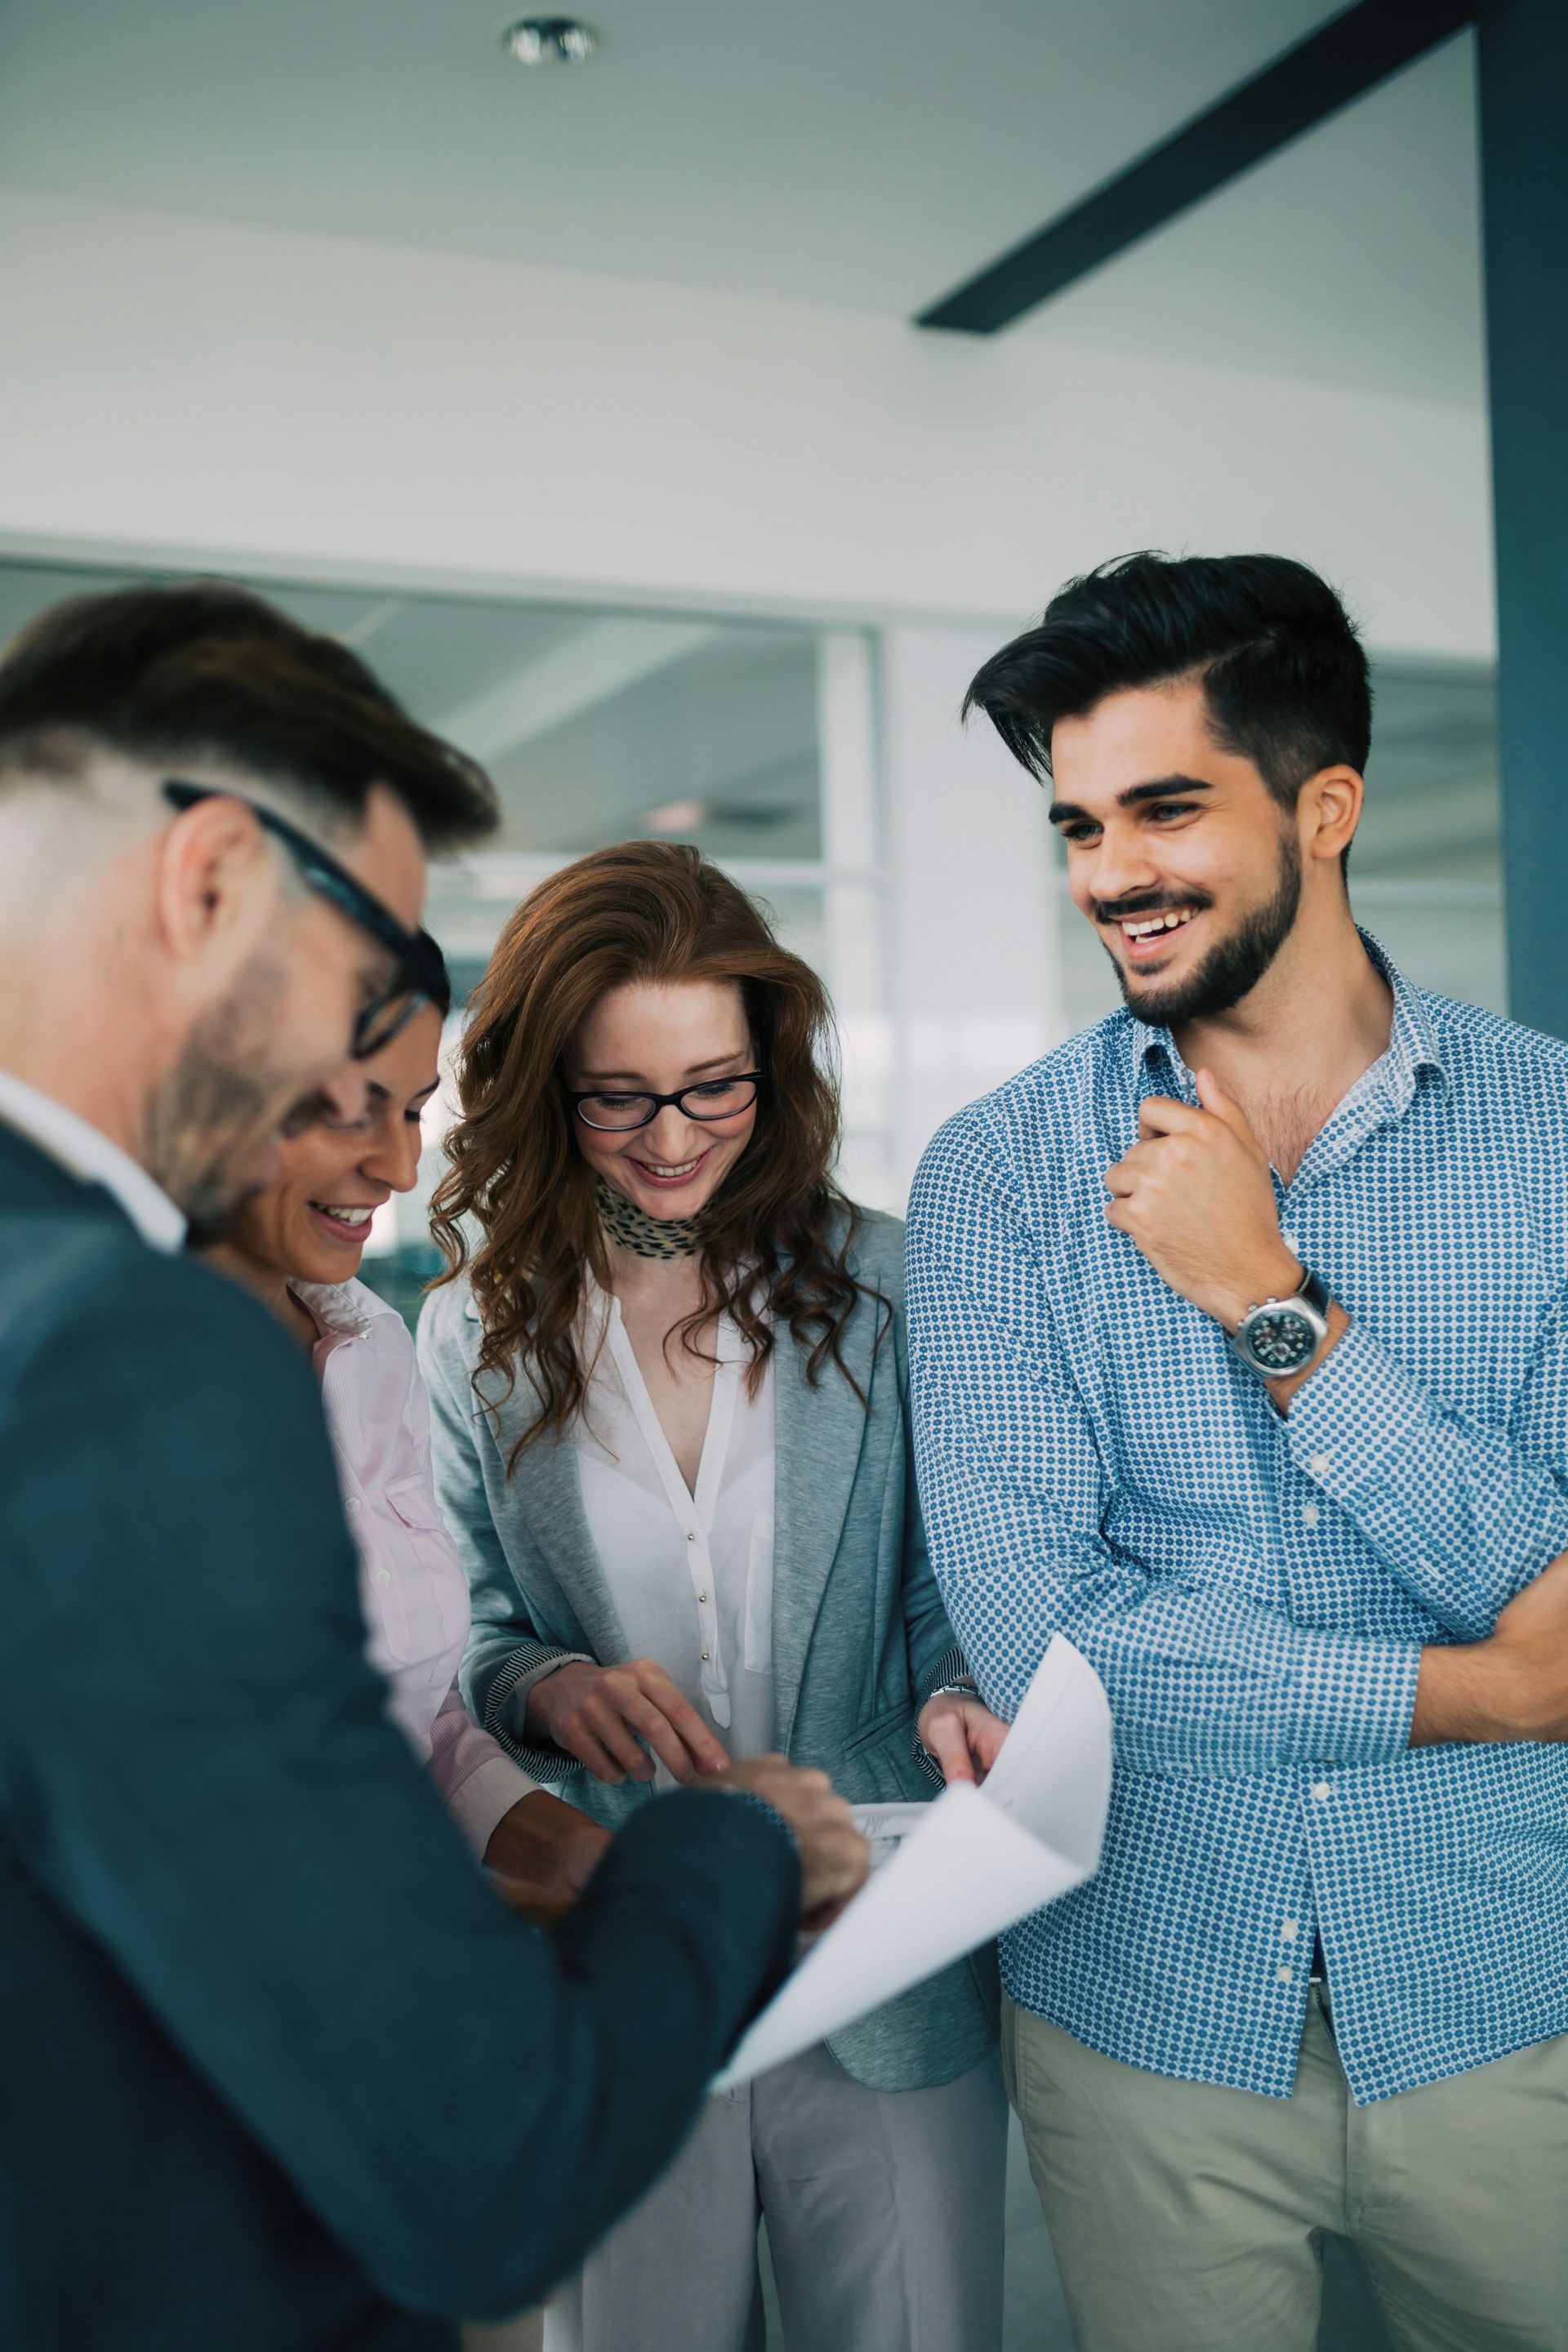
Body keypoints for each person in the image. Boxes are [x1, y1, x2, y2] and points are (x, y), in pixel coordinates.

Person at [0, 581, 868, 2352]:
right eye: (378, 956)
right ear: (213, 880)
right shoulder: (127, 1348)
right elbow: (486, 2165)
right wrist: (716, 1851)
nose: (376, 1051)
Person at [906, 551, 1568, 2352]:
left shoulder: (1559, 1140)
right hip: (1147, 2023)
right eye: (1078, 825)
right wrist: (1484, 1691)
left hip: (1518, 2000)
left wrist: (1279, 1309)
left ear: (1326, 806)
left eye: (1167, 809)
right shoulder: (993, 1181)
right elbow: (1054, 1639)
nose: (1110, 873)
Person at [417, 839, 1009, 2352]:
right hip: (629, 1936)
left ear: (774, 1068)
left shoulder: (891, 1286)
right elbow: (466, 1631)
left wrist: (956, 1689)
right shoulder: (472, 1332)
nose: (674, 1137)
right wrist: (542, 1684)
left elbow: (954, 1584)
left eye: (716, 1084)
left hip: (873, 1939)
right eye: (621, 1094)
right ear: (546, 1087)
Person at [207, 938, 613, 1915]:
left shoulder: (369, 1347)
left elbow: (410, 1715)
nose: (398, 1165)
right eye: (352, 1111)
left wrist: (577, 1856)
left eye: (415, 1111)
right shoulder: (75, 1387)